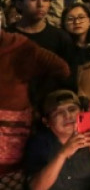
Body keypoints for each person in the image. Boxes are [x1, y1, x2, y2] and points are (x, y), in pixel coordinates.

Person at [0, 24, 71, 184]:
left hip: (11, 127)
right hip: (13, 124)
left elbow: (61, 69)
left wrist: (35, 96)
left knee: (9, 174)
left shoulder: (19, 47)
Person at [23, 90, 90, 190]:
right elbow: (36, 187)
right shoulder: (39, 143)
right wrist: (62, 154)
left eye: (72, 109)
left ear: (82, 112)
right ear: (46, 121)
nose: (67, 116)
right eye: (58, 112)